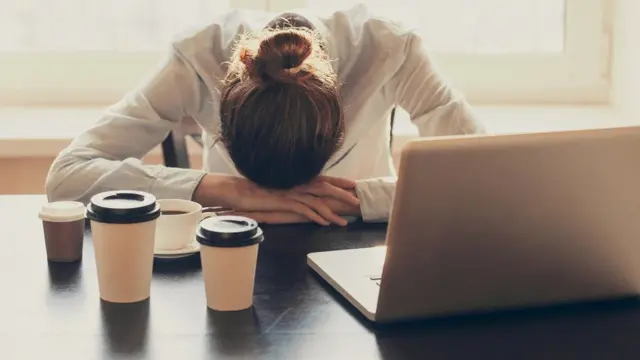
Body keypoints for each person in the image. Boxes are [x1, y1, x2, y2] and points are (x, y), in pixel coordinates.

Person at [45, 4, 484, 226]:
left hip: (360, 240)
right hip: (233, 233)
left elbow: (487, 174)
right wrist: (228, 190)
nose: (291, 197)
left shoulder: (390, 48)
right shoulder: (199, 54)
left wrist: (358, 199)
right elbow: (68, 175)